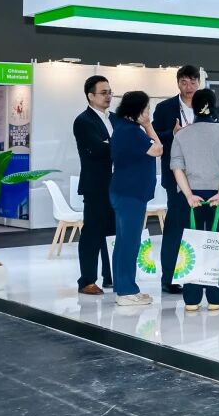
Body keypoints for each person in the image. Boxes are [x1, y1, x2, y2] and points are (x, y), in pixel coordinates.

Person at [170, 88, 219, 311]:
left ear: (193, 107)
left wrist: (189, 195)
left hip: (191, 198)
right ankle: (215, 298)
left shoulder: (182, 135)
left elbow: (177, 168)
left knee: (190, 244)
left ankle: (191, 299)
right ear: (213, 105)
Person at [109, 90, 162, 306]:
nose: (148, 112)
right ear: (138, 109)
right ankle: (126, 291)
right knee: (129, 242)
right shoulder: (131, 131)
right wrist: (148, 126)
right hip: (130, 194)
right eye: (146, 108)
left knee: (124, 241)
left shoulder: (125, 129)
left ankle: (126, 288)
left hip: (128, 192)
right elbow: (158, 149)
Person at [152, 65, 199, 294]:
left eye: (192, 82)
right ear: (178, 83)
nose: (188, 87)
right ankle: (169, 277)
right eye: (184, 82)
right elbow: (153, 136)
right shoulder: (165, 108)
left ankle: (198, 275)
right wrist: (173, 134)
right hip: (175, 176)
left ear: (199, 83)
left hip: (202, 176)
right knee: (175, 225)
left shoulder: (205, 104)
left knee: (199, 227)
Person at [72, 75, 115, 295]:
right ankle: (87, 280)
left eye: (110, 92)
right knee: (93, 232)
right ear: (91, 96)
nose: (108, 96)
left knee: (114, 232)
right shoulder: (83, 121)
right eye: (103, 92)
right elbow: (98, 150)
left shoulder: (115, 118)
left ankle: (111, 276)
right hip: (96, 186)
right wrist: (113, 146)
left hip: (118, 185)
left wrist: (111, 144)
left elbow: (117, 145)